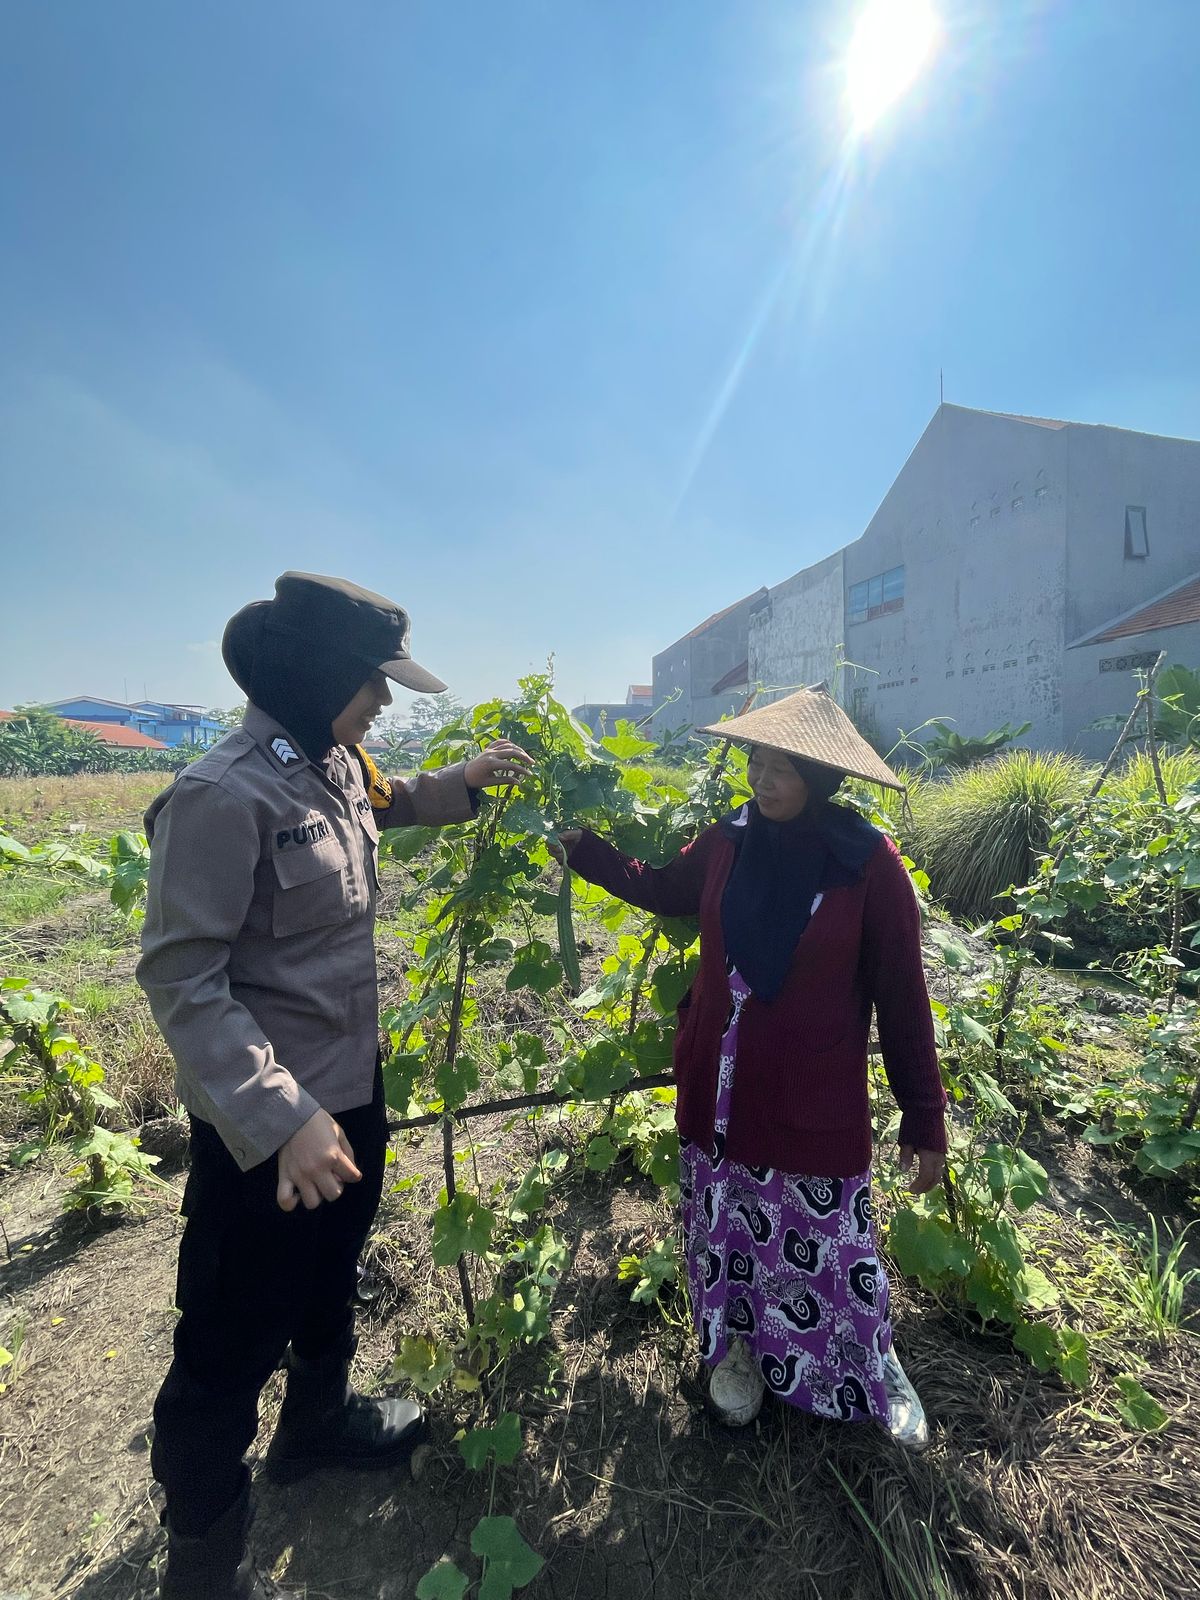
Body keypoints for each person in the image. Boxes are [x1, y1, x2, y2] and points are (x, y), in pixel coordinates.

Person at [137, 572, 531, 1600]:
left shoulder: (337, 764)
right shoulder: (222, 797)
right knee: (229, 1333)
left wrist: (473, 776)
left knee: (330, 1271)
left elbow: (407, 801)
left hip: (350, 1095)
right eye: (374, 682)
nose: (385, 704)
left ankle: (313, 1423)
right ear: (320, 676)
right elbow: (183, 978)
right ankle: (203, 1553)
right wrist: (281, 1117)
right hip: (265, 1131)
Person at [554, 687, 946, 1448]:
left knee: (831, 1237)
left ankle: (867, 1357)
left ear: (823, 779)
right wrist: (584, 847)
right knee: (729, 1227)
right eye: (756, 762)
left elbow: (903, 997)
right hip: (720, 1083)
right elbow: (660, 885)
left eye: (782, 769)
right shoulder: (728, 840)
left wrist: (923, 1116)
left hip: (809, 1087)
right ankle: (737, 1350)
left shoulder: (868, 866)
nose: (762, 781)